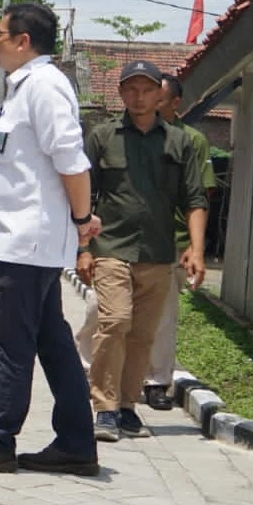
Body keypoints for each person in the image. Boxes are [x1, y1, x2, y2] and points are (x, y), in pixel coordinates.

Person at [0, 3, 100, 476]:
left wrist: (83, 220)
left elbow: (72, 161)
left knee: (11, 340)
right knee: (52, 341)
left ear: (23, 41)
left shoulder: (45, 86)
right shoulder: (23, 88)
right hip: (24, 240)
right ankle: (76, 442)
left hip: (30, 241)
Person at [79, 61, 207, 443]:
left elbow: (195, 199)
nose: (139, 97)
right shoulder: (103, 137)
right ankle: (104, 407)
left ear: (159, 95)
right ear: (121, 93)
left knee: (142, 335)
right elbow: (83, 195)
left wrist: (197, 249)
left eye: (147, 90)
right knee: (115, 322)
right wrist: (83, 248)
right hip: (111, 247)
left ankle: (126, 406)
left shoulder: (179, 142)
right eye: (131, 89)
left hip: (158, 251)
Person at [143, 73, 216, 410]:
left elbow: (201, 196)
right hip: (127, 238)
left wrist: (195, 246)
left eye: (157, 100)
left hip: (172, 240)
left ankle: (156, 381)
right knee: (106, 310)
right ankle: (93, 371)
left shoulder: (191, 142)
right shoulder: (124, 135)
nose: (149, 105)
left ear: (175, 104)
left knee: (163, 314)